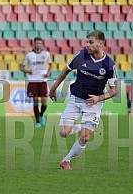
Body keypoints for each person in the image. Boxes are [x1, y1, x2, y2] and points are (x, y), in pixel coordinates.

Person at [49, 30, 118, 170]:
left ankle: (66, 160)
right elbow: (65, 70)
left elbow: (114, 90)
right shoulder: (81, 56)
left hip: (94, 103)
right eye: (87, 42)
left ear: (101, 43)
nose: (87, 45)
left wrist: (99, 98)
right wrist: (53, 88)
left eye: (91, 42)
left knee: (85, 138)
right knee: (63, 133)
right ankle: (82, 127)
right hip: (75, 99)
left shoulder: (109, 65)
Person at [20, 37, 52, 128]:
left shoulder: (46, 54)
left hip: (42, 80)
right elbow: (22, 67)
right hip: (33, 80)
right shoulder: (29, 55)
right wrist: (27, 71)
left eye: (39, 43)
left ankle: (41, 114)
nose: (38, 45)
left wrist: (48, 73)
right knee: (35, 100)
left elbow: (50, 65)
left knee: (44, 102)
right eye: (36, 43)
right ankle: (37, 121)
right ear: (33, 44)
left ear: (42, 44)